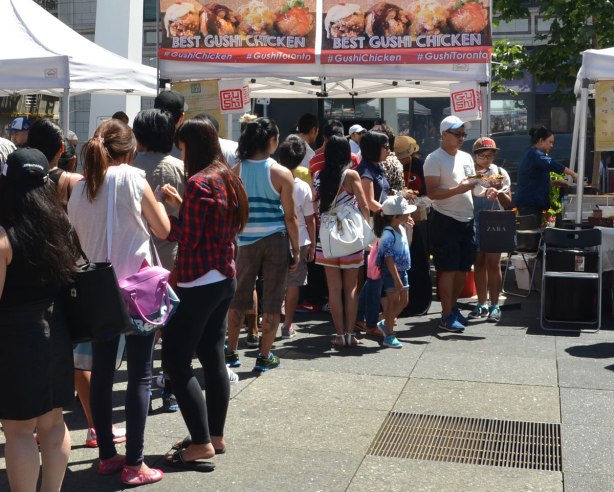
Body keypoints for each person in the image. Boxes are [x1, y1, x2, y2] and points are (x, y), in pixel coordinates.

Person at [67, 119, 170, 486]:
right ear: (130, 150)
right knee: (140, 373)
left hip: (98, 291)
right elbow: (163, 229)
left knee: (102, 372)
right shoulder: (133, 177)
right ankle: (135, 463)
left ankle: (107, 456)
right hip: (136, 289)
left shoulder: (80, 188)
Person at [160, 118, 249, 470]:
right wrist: (182, 204)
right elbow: (214, 226)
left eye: (181, 146)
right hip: (224, 276)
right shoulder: (226, 175)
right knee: (213, 356)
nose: (179, 152)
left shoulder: (198, 182)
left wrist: (164, 217)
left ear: (190, 146)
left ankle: (200, 443)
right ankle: (214, 435)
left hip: (199, 280)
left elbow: (188, 235)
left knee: (175, 362)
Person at [0, 148, 77, 492]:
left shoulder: (5, 236)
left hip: (16, 337)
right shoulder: (60, 223)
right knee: (53, 423)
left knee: (17, 430)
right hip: (56, 330)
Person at [225, 117, 299, 372]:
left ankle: (231, 352)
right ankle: (264, 355)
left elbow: (232, 213)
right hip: (276, 239)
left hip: (245, 241)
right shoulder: (281, 172)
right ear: (270, 141)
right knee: (272, 298)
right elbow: (290, 216)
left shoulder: (235, 171)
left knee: (238, 297)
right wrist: (297, 249)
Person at [132, 108, 185, 413]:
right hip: (173, 258)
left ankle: (143, 384)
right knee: (172, 327)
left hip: (139, 261)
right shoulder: (178, 167)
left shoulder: (130, 167)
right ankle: (171, 387)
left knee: (142, 328)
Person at [314, 135, 370, 348]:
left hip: (327, 237)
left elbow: (314, 204)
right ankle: (350, 333)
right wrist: (366, 231)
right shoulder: (352, 175)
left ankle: (338, 334)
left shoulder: (319, 175)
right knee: (351, 288)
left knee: (334, 290)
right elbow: (364, 206)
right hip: (350, 236)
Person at [424, 115, 478, 332]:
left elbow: (474, 185)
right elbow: (432, 192)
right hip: (445, 219)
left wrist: (488, 191)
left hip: (467, 217)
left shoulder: (466, 157)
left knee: (463, 269)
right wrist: (459, 189)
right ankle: (446, 315)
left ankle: (452, 308)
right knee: (447, 269)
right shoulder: (433, 159)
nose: (461, 138)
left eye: (464, 134)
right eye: (457, 134)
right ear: (444, 134)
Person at [468, 137, 512, 323]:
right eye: (483, 155)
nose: (487, 159)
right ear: (475, 156)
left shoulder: (500, 172)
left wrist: (499, 192)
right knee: (478, 263)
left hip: (494, 221)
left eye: (490, 155)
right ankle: (481, 303)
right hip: (473, 220)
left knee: (493, 263)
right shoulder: (469, 173)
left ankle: (495, 305)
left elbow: (509, 203)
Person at [278, 135, 316, 338]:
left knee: (275, 282)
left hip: (274, 237)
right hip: (300, 239)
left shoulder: (272, 180)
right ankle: (287, 325)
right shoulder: (302, 186)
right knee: (293, 283)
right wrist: (312, 244)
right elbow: (310, 219)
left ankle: (269, 322)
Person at [355, 130, 391, 336]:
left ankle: (361, 317)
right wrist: (393, 213)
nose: (388, 150)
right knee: (375, 275)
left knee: (375, 276)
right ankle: (368, 321)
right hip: (373, 228)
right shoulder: (366, 170)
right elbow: (369, 202)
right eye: (385, 146)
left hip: (381, 225)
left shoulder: (377, 167)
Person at [373, 195, 416, 348]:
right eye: (406, 213)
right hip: (392, 272)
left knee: (404, 301)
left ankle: (386, 322)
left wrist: (410, 230)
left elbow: (406, 245)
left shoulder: (401, 228)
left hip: (401, 270)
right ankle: (389, 335)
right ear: (397, 216)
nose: (409, 215)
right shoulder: (388, 234)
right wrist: (397, 280)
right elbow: (388, 259)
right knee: (393, 302)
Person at [514, 126, 577, 223]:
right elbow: (552, 164)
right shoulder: (535, 154)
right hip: (529, 204)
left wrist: (556, 182)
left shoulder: (532, 154)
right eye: (550, 142)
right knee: (532, 234)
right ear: (541, 141)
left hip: (532, 203)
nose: (552, 145)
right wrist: (573, 174)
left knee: (535, 233)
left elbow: (536, 181)